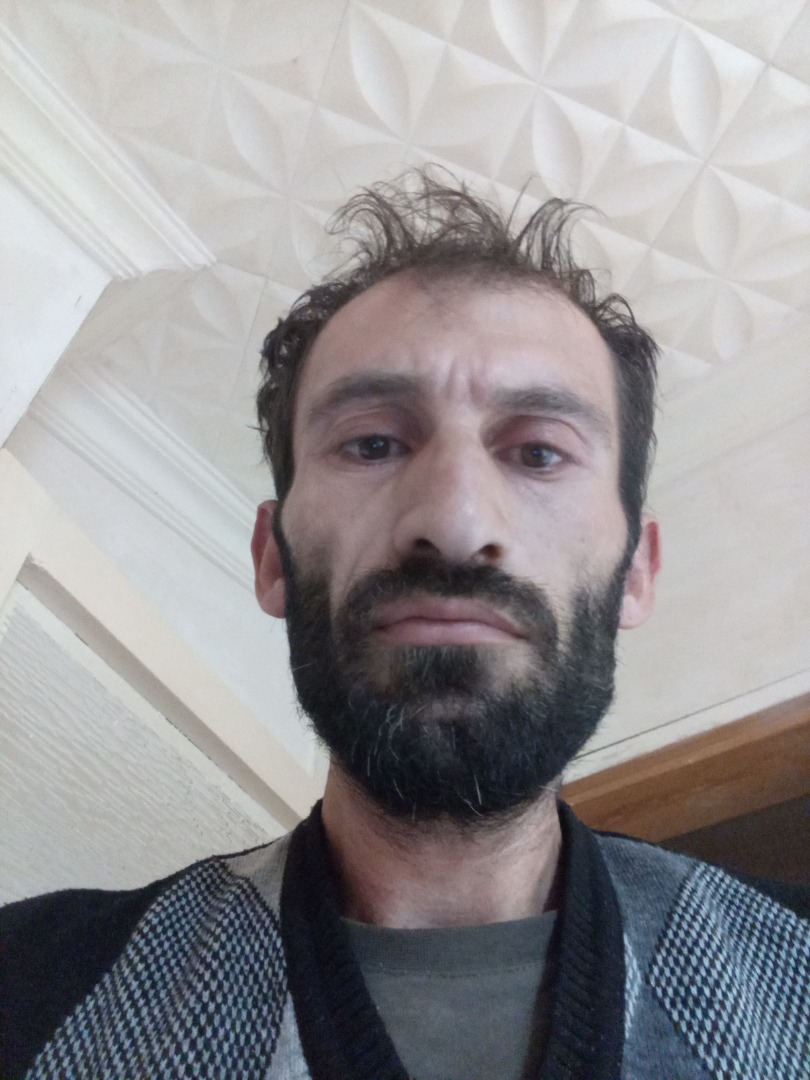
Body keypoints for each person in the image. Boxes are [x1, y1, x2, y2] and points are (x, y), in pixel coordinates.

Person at [2, 170, 808, 1080]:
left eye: (539, 452)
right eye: (373, 443)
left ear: (637, 572)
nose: (455, 522)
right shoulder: (26, 986)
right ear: (273, 558)